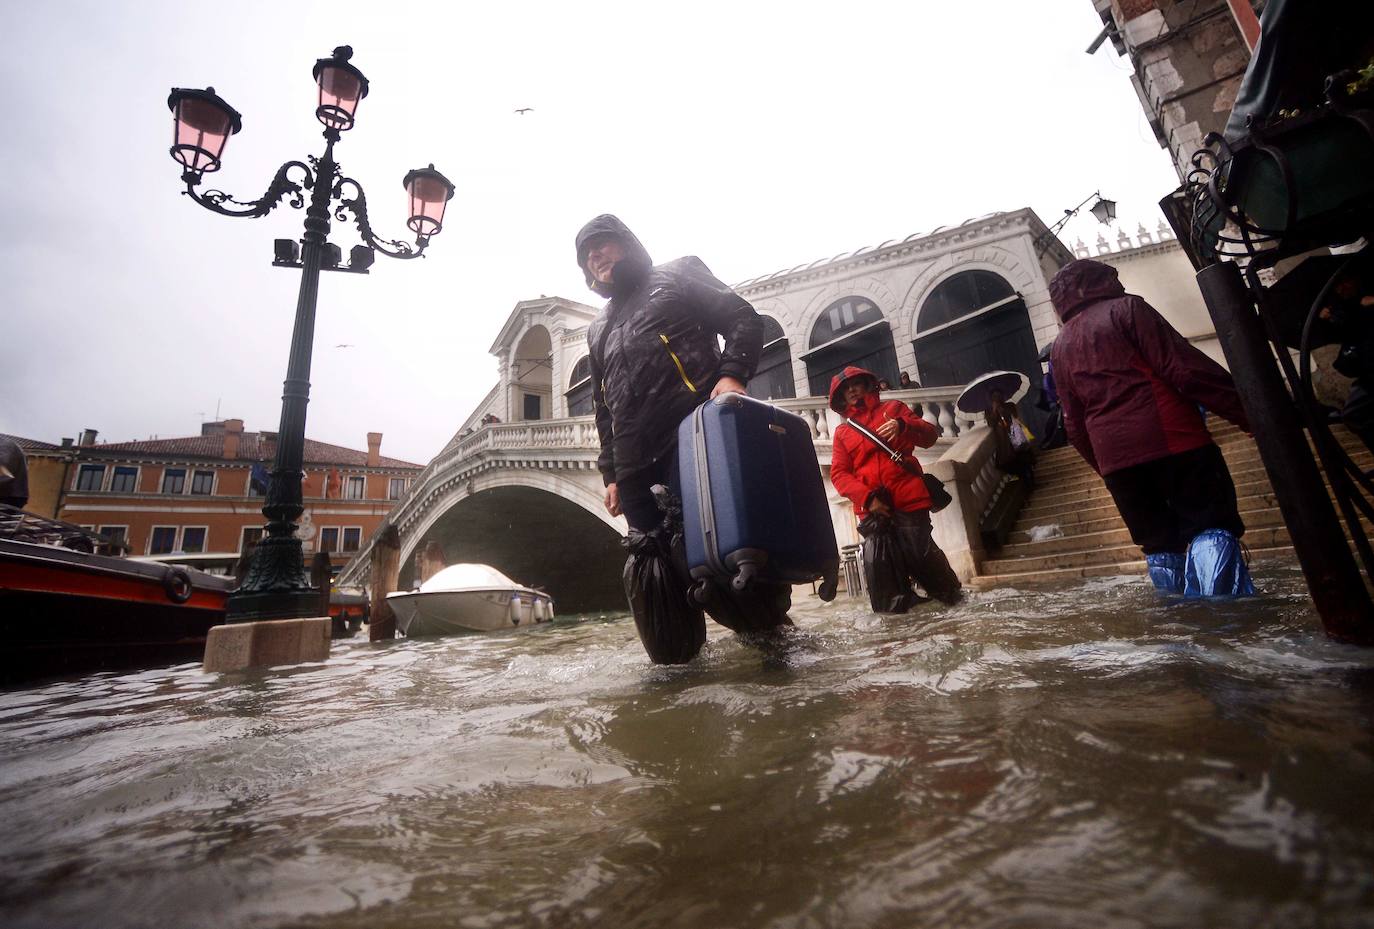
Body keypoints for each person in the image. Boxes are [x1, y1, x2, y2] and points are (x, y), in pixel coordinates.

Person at [577, 214, 780, 661]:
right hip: (632, 466)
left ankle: (774, 646)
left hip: (693, 438)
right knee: (652, 571)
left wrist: (732, 376)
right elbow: (603, 407)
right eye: (586, 253)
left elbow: (746, 320)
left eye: (603, 243)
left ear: (627, 244)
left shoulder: (678, 273)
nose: (594, 255)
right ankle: (676, 676)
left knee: (713, 552)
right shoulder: (597, 330)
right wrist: (611, 473)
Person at [1049, 259, 1253, 595]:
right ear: (1098, 282)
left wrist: (1106, 467)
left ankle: (1181, 623)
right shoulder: (1129, 309)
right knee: (1210, 523)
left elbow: (1073, 422)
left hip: (1116, 461)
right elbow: (1184, 369)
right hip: (1174, 440)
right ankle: (1230, 622)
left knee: (1159, 544)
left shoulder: (1060, 347)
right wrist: (1247, 413)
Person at [829, 365, 962, 609]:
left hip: (908, 498)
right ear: (840, 397)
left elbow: (930, 436)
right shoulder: (842, 433)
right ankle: (902, 628)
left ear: (867, 385)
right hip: (874, 510)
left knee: (920, 555)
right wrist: (868, 499)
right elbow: (839, 473)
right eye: (845, 389)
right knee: (881, 571)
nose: (852, 391)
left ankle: (953, 601)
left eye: (855, 384)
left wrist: (903, 426)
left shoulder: (893, 409)